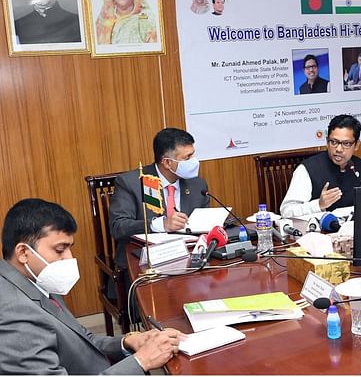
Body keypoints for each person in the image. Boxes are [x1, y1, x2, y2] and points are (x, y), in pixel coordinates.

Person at [0, 198, 184, 374]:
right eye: (59, 250)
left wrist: (129, 341)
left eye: (69, 248)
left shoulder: (35, 280)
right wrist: (142, 361)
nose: (69, 258)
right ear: (23, 252)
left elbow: (82, 341)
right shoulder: (13, 312)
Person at [109, 128, 210, 271]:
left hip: (190, 261)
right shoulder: (132, 183)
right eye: (187, 158)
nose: (193, 162)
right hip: (142, 265)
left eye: (193, 155)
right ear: (167, 162)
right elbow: (118, 227)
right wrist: (161, 224)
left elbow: (203, 224)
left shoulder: (197, 184)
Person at [280, 114, 361, 218]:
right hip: (317, 232)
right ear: (327, 142)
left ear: (357, 145)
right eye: (334, 142)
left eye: (346, 143)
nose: (339, 149)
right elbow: (286, 211)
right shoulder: (307, 169)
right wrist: (318, 205)